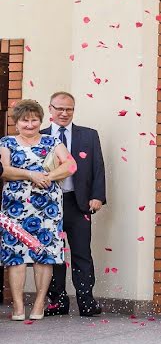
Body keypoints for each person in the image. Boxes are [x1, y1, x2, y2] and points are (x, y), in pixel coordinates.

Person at [0, 100, 74, 320]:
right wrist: (30, 175)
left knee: (45, 254)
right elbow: (3, 170)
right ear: (16, 123)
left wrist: (48, 177)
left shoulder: (52, 141)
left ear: (41, 121)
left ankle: (40, 303)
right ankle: (19, 306)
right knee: (16, 255)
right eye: (25, 120)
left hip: (47, 207)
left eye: (34, 120)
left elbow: (70, 165)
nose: (30, 124)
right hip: (15, 206)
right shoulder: (6, 142)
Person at [41, 92, 106, 317]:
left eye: (69, 109)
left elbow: (98, 168)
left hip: (78, 203)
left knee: (81, 254)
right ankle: (58, 302)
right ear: (50, 109)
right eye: (59, 108)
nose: (64, 113)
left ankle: (87, 302)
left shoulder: (88, 136)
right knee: (54, 255)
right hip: (49, 205)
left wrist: (97, 196)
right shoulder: (40, 137)